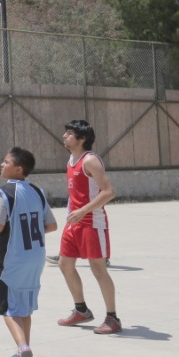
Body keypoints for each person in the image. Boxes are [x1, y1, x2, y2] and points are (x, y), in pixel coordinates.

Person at [0, 147, 56, 357]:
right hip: (36, 257)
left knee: (8, 308)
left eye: (6, 162)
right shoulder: (37, 192)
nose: (1, 164)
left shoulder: (4, 192)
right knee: (24, 308)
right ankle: (22, 352)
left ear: (18, 169)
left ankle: (23, 348)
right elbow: (51, 225)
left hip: (12, 259)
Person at [56, 119, 121, 334]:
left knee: (98, 269)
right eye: (65, 133)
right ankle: (81, 310)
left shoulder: (90, 161)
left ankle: (112, 318)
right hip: (74, 223)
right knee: (65, 264)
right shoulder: (71, 160)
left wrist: (83, 211)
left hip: (92, 223)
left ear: (82, 138)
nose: (65, 136)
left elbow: (108, 192)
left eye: (69, 133)